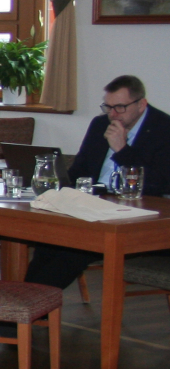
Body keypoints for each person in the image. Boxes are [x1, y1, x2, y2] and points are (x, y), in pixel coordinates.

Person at [20, 75, 170, 316]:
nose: (113, 114)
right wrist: (61, 189)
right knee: (49, 240)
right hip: (94, 205)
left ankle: (24, 311)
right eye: (108, 107)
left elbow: (158, 183)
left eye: (120, 107)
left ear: (141, 104)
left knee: (75, 248)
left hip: (139, 219)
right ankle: (25, 308)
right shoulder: (100, 124)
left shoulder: (163, 129)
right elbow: (79, 169)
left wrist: (122, 149)